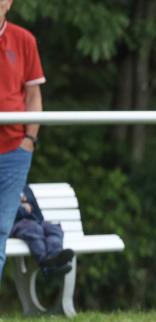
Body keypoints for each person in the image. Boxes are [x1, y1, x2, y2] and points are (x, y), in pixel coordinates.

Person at [0, 1, 45, 284]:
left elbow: (33, 95)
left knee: (0, 230)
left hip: (14, 151)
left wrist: (29, 138)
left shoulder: (24, 39)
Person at [11, 185, 73, 275]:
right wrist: (22, 208)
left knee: (54, 229)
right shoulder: (4, 189)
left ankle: (54, 258)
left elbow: (37, 211)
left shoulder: (25, 188)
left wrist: (40, 220)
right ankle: (44, 262)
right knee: (34, 229)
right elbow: (5, 213)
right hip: (16, 224)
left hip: (36, 221)